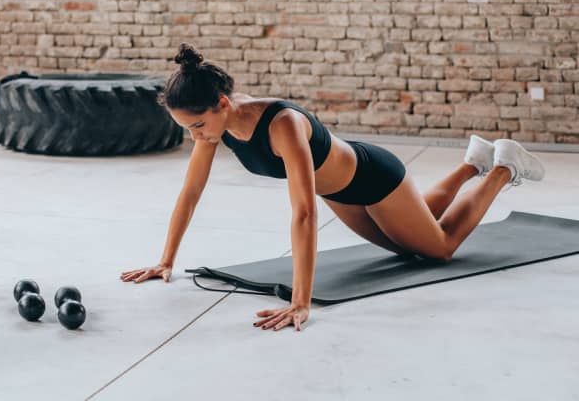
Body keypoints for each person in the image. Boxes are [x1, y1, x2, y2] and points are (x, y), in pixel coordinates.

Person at [120, 43, 545, 332]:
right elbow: (191, 193)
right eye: (187, 129)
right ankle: (472, 162)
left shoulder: (282, 124)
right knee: (407, 245)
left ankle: (502, 167)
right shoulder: (215, 129)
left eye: (196, 125)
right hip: (344, 192)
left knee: (439, 248)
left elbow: (303, 212)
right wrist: (165, 260)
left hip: (374, 177)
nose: (196, 135)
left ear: (223, 104)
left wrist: (301, 301)